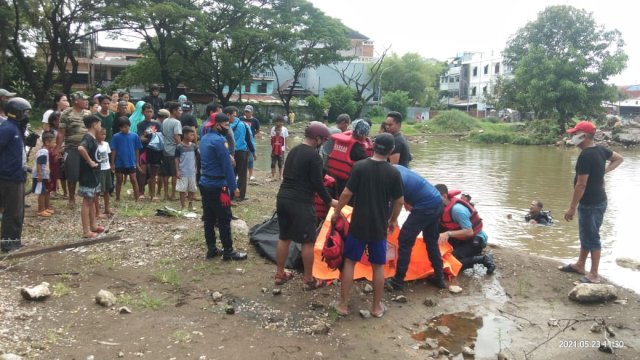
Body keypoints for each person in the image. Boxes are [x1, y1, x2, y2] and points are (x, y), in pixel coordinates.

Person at [332, 133, 404, 317]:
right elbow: (400, 201)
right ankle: (376, 307)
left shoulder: (360, 166)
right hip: (379, 226)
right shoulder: (393, 172)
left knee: (350, 262)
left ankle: (343, 305)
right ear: (391, 151)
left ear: (373, 146)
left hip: (358, 224)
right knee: (378, 266)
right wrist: (393, 220)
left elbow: (347, 193)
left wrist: (337, 212)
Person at [275, 121, 337, 289]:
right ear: (316, 138)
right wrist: (330, 201)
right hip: (301, 202)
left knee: (284, 237)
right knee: (308, 242)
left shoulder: (293, 151)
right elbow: (318, 183)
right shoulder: (314, 156)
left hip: (282, 198)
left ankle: (280, 274)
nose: (323, 144)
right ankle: (308, 279)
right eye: (323, 140)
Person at [560, 121, 623, 284]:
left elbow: (581, 185)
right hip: (600, 200)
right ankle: (580, 265)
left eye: (575, 134)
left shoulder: (586, 156)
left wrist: (572, 208)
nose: (572, 137)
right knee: (587, 235)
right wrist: (603, 172)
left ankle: (594, 274)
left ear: (584, 136)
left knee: (591, 237)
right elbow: (618, 159)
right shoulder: (601, 150)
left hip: (590, 204)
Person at [385, 165, 446, 290]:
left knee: (405, 239)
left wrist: (391, 221)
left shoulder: (391, 178)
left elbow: (396, 202)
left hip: (426, 207)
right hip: (437, 202)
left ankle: (398, 280)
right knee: (431, 241)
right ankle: (439, 277)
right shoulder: (396, 168)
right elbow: (408, 191)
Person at [198, 112, 247, 261]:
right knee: (224, 219)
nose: (228, 128)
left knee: (209, 218)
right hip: (219, 186)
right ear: (217, 125)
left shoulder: (204, 138)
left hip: (205, 183)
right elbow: (227, 167)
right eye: (226, 125)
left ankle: (212, 249)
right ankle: (228, 251)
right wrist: (235, 187)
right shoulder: (220, 141)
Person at [435, 184, 495, 274]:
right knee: (440, 255)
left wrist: (448, 234)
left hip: (475, 239)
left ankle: (483, 259)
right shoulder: (441, 207)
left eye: (434, 197)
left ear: (444, 196)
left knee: (451, 262)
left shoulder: (457, 210)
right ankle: (469, 254)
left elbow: (469, 232)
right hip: (460, 238)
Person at [57, 91, 92, 206]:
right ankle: (71, 197)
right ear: (76, 101)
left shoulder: (88, 113)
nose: (87, 101)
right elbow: (61, 133)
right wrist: (58, 149)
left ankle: (87, 196)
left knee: (87, 173)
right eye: (84, 99)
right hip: (72, 148)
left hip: (86, 148)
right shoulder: (66, 113)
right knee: (72, 175)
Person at [326, 119, 373, 195]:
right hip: (348, 180)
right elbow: (367, 165)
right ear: (363, 134)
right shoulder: (358, 148)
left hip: (334, 176)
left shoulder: (341, 140)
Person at [77, 115, 104, 238]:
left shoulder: (93, 137)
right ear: (94, 125)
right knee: (87, 201)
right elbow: (81, 148)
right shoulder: (87, 137)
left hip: (94, 174)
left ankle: (93, 225)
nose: (100, 126)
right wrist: (90, 161)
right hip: (87, 174)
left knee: (92, 199)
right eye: (99, 124)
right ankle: (85, 231)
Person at [111, 117, 142, 201]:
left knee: (133, 179)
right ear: (119, 128)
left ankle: (137, 198)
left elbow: (137, 149)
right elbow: (114, 150)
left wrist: (137, 161)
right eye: (122, 127)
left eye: (126, 126)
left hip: (131, 161)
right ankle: (117, 198)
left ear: (129, 126)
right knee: (119, 180)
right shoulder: (116, 137)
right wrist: (113, 163)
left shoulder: (134, 136)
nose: (124, 128)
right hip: (119, 161)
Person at [137, 103, 163, 201]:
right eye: (147, 111)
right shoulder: (141, 124)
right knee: (142, 172)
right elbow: (141, 138)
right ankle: (141, 192)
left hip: (155, 151)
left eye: (150, 111)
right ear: (143, 112)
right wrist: (149, 136)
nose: (149, 113)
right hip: (144, 151)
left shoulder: (157, 124)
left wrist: (149, 136)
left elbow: (160, 138)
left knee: (153, 173)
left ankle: (153, 194)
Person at [228, 106, 255, 201]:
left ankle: (230, 195)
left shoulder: (227, 125)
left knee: (232, 174)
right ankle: (240, 196)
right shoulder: (243, 125)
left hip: (231, 152)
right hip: (242, 152)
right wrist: (253, 151)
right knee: (242, 174)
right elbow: (249, 140)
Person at [161, 102, 183, 201]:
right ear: (174, 111)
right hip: (173, 150)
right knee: (174, 173)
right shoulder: (177, 122)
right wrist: (181, 147)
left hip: (165, 149)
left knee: (165, 174)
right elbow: (177, 136)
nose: (181, 112)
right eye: (179, 110)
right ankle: (173, 194)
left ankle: (165, 194)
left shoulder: (165, 121)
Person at [33, 132, 56, 217]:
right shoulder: (44, 151)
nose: (55, 144)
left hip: (44, 175)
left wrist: (48, 176)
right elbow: (39, 163)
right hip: (40, 176)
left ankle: (45, 207)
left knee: (45, 191)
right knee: (42, 193)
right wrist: (40, 174)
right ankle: (40, 210)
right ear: (47, 142)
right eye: (54, 142)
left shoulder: (46, 151)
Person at [175, 126, 197, 210]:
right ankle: (182, 205)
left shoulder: (194, 146)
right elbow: (176, 159)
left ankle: (190, 205)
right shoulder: (179, 147)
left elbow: (195, 157)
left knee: (192, 189)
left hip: (191, 171)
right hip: (183, 171)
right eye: (191, 135)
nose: (193, 137)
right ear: (185, 135)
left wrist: (196, 167)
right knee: (182, 189)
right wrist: (177, 170)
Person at [94, 128, 113, 217]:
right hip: (99, 169)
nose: (103, 136)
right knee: (97, 191)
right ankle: (97, 210)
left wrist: (111, 165)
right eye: (101, 134)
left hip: (107, 167)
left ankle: (107, 208)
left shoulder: (106, 144)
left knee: (107, 190)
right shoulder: (94, 145)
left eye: (104, 134)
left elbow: (108, 154)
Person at [44, 111, 63, 197]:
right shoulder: (50, 132)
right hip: (52, 154)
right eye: (59, 120)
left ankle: (55, 189)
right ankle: (50, 190)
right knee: (51, 172)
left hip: (59, 153)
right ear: (53, 121)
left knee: (56, 172)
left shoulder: (61, 130)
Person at [241, 105, 259, 181]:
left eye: (248, 112)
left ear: (252, 112)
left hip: (250, 142)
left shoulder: (255, 121)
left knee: (250, 158)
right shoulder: (240, 119)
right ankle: (240, 174)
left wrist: (252, 135)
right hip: (241, 141)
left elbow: (257, 130)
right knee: (241, 157)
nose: (247, 113)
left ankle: (251, 174)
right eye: (246, 111)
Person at [269, 115, 288, 180]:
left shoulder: (284, 129)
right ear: (276, 122)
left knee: (281, 162)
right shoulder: (273, 129)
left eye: (281, 122)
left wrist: (286, 146)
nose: (280, 123)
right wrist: (272, 147)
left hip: (281, 149)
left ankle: (281, 176)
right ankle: (273, 175)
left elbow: (286, 138)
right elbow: (272, 139)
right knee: (273, 163)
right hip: (274, 149)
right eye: (278, 122)